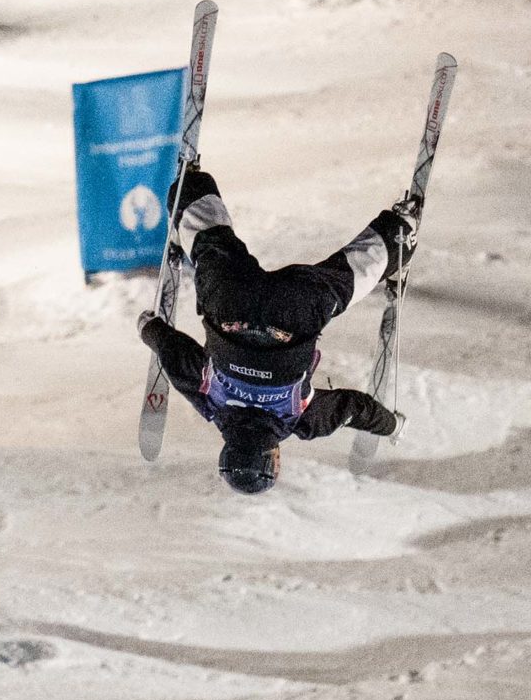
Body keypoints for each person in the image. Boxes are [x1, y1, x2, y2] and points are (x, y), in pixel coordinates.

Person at [138, 166, 417, 494]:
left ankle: (400, 231)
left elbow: (356, 408)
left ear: (274, 459)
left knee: (354, 276)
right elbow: (173, 352)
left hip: (294, 312)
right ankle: (189, 192)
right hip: (231, 305)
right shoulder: (209, 401)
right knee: (208, 241)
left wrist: (393, 425)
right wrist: (149, 327)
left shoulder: (301, 419)